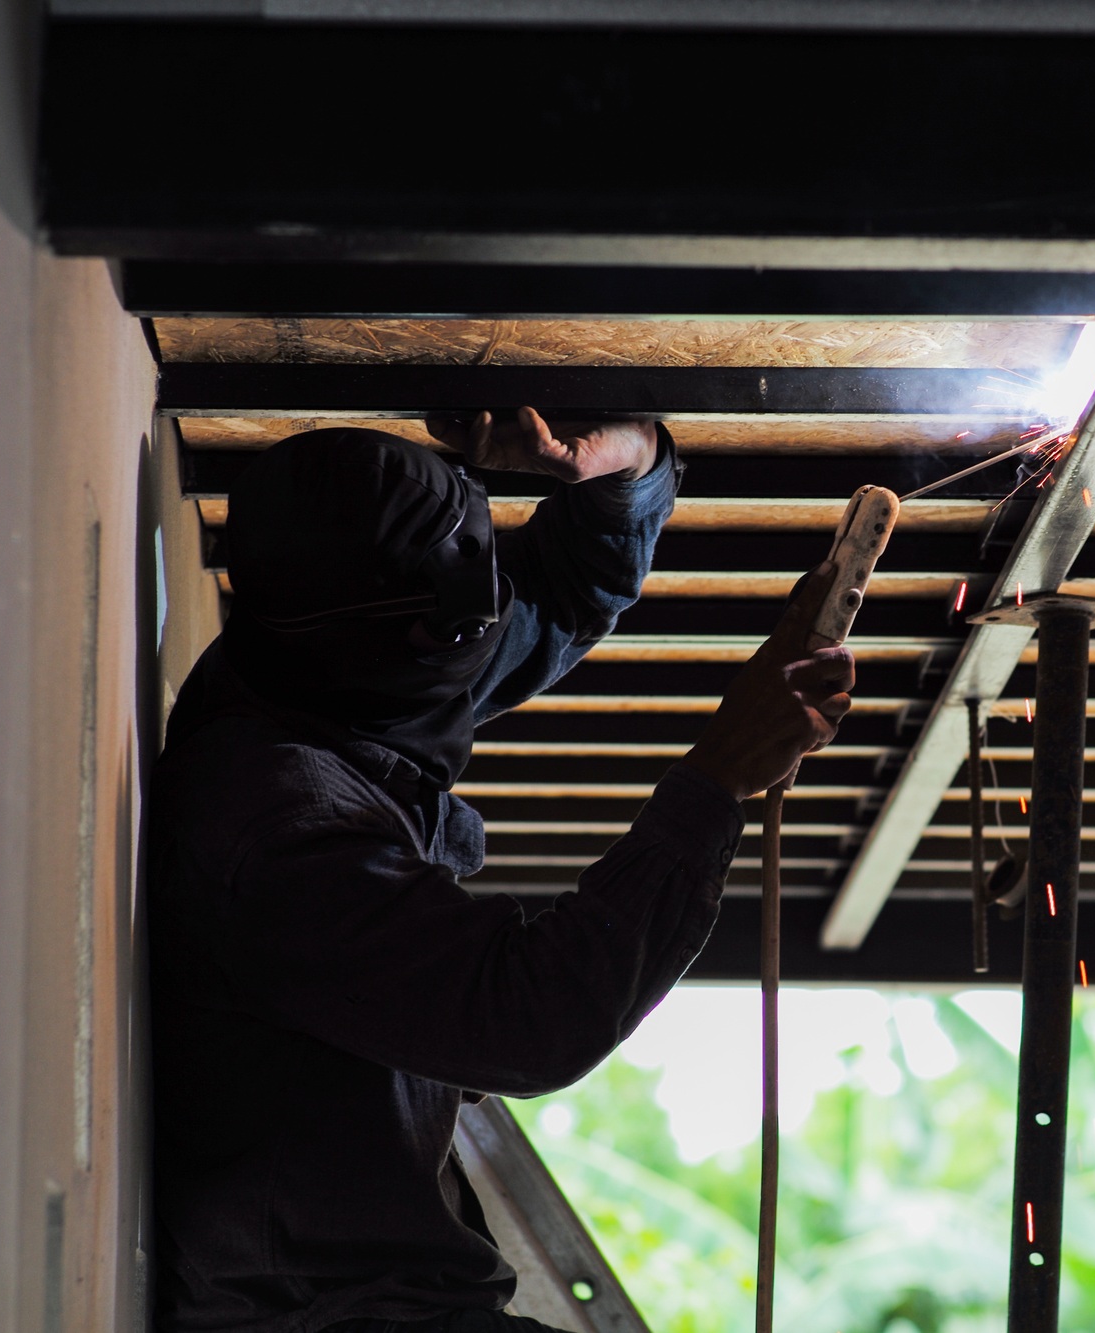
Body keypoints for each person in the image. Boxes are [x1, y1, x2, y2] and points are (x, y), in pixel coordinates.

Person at [149, 409, 856, 1332]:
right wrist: (718, 778)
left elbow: (559, 595)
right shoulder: (278, 826)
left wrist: (618, 462)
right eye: (464, 632)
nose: (488, 637)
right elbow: (531, 1017)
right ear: (406, 639)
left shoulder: (328, 677)